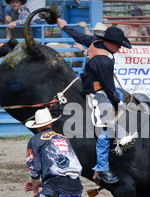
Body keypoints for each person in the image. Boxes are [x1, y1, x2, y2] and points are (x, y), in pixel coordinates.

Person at [57, 18, 132, 184]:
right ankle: (101, 168)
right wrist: (117, 102)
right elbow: (109, 88)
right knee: (107, 131)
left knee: (125, 96)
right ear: (110, 42)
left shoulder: (95, 42)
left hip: (92, 84)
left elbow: (78, 36)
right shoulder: (103, 60)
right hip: (98, 92)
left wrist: (63, 25)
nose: (120, 48)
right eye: (118, 45)